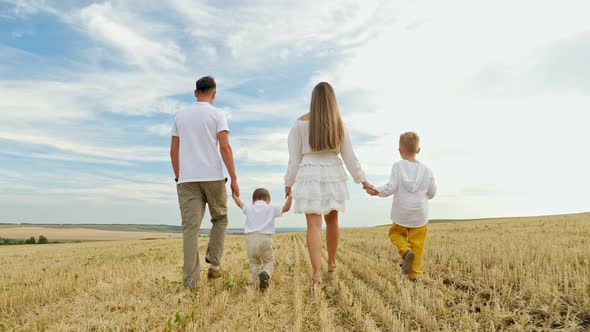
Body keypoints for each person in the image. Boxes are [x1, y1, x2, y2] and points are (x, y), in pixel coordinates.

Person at [284, 82, 372, 285]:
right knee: (332, 222)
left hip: (309, 174)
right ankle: (331, 263)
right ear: (332, 100)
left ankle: (316, 273)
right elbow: (351, 157)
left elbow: (293, 159)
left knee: (313, 226)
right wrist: (363, 181)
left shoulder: (299, 124)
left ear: (313, 99)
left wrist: (289, 182)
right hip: (333, 173)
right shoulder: (339, 124)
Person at [170, 76, 240, 289]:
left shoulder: (180, 116)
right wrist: (234, 178)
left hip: (187, 179)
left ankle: (190, 283)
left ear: (195, 92)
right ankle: (214, 263)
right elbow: (225, 148)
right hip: (213, 177)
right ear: (214, 93)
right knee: (220, 219)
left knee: (190, 229)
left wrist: (178, 176)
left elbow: (174, 151)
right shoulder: (218, 114)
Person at [365, 132, 437, 281]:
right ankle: (414, 275)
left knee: (395, 234)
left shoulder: (398, 166)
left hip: (402, 213)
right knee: (418, 244)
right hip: (420, 215)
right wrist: (425, 197)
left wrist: (376, 191)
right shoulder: (427, 170)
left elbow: (391, 187)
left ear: (400, 150)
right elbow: (432, 192)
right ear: (418, 150)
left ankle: (405, 251)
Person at [231, 188, 292, 291]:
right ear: (268, 200)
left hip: (250, 239)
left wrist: (234, 196)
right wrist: (290, 196)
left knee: (254, 262)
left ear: (253, 201)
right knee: (269, 261)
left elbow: (240, 204)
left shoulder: (249, 207)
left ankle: (255, 283)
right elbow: (286, 208)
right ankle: (266, 273)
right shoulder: (270, 207)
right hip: (264, 238)